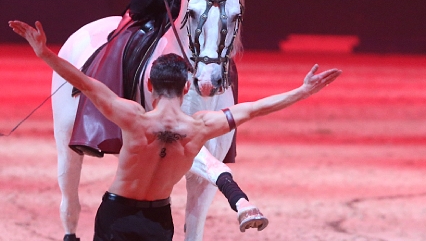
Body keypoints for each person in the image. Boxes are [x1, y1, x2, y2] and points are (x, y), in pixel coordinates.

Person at [56, 0, 267, 234]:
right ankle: (94, 125)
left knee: (219, 56)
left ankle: (225, 133)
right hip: (148, 9)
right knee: (115, 48)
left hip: (186, 10)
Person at [9, 20, 342, 240]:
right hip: (159, 220)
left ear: (150, 85)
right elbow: (256, 108)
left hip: (117, 216)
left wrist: (43, 52)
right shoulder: (200, 127)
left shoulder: (133, 117)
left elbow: (83, 81)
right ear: (187, 89)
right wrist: (302, 92)